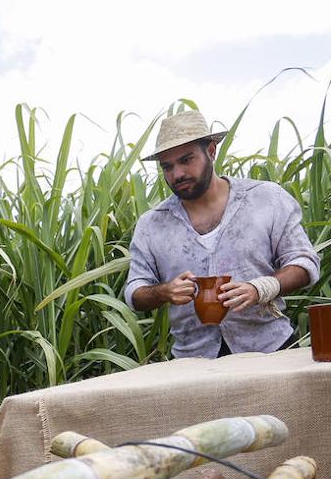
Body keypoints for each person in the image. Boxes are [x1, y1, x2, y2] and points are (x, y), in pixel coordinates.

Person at [125, 110, 321, 358]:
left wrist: (262, 287)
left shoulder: (266, 198)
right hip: (194, 363)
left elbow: (305, 262)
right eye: (167, 167)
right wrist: (164, 291)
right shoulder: (151, 225)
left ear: (211, 151)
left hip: (270, 352)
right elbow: (135, 291)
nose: (177, 174)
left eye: (186, 160)